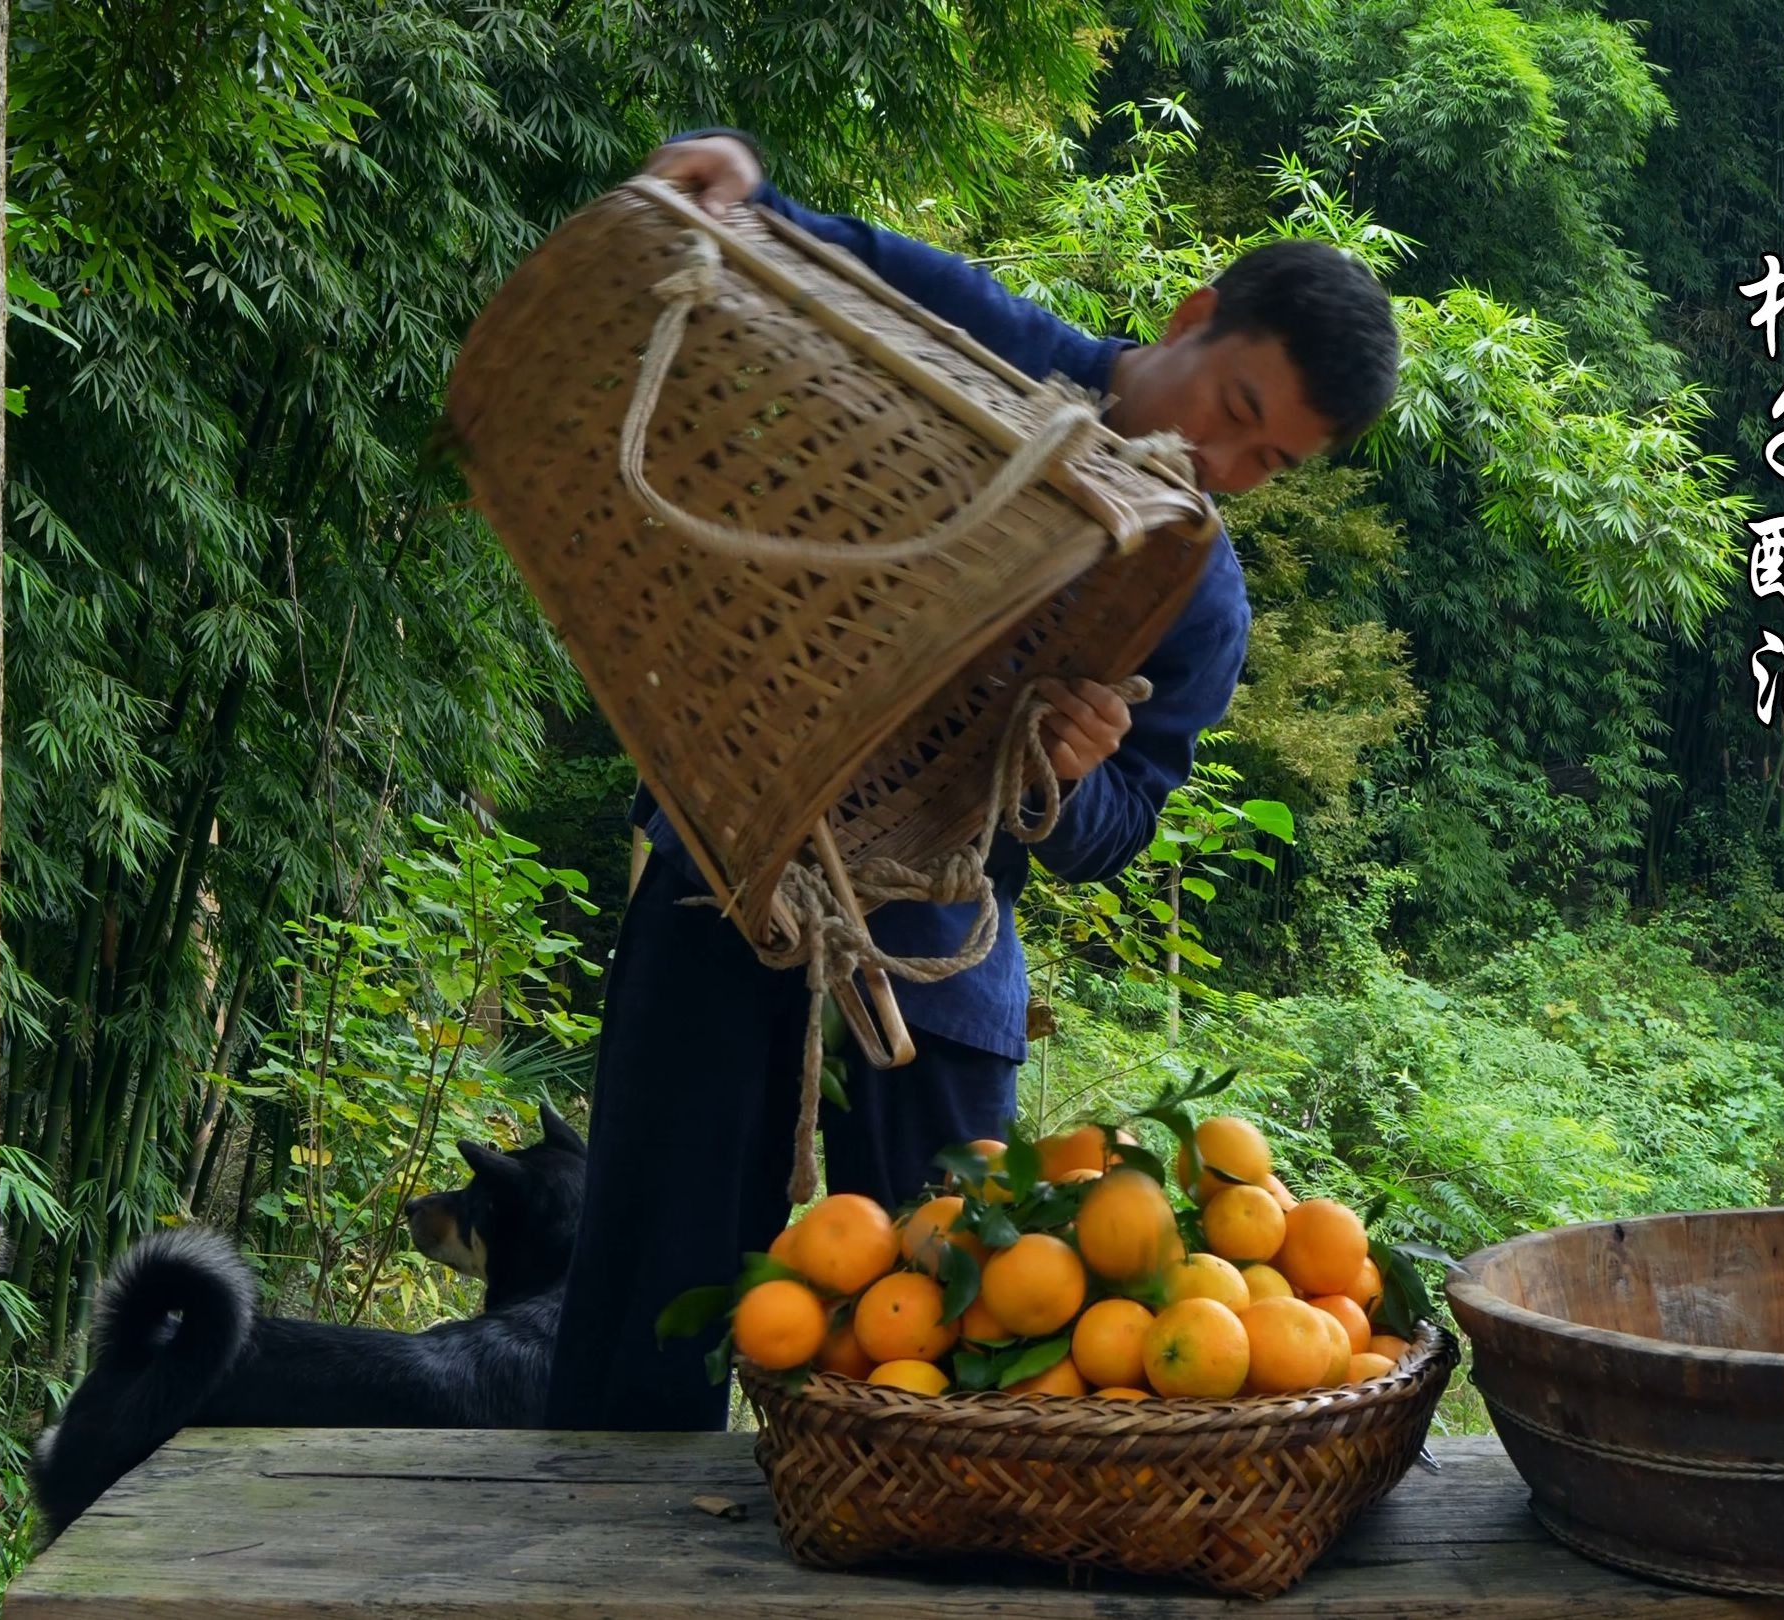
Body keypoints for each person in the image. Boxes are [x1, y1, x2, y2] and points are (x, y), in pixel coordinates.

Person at [545, 129, 1401, 1430]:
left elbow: (1116, 829)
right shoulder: (998, 355)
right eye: (1234, 418)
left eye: (1269, 464)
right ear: (1193, 319)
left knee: (948, 1345)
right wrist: (740, 182)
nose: (1228, 470)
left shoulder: (1196, 596)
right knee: (644, 1302)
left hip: (938, 956)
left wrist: (1071, 775)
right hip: (732, 863)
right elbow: (826, 255)